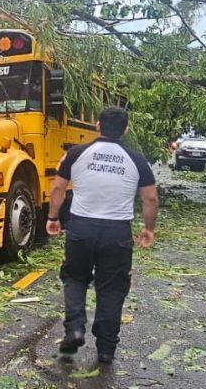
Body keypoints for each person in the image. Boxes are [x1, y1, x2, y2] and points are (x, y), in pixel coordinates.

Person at [46, 107, 158, 364]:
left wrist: (53, 218)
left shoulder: (76, 153)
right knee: (112, 288)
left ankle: (74, 329)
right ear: (126, 130)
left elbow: (58, 189)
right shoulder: (137, 159)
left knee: (74, 278)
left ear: (97, 126)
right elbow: (150, 197)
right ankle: (106, 348)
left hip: (81, 229)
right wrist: (148, 228)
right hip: (116, 233)